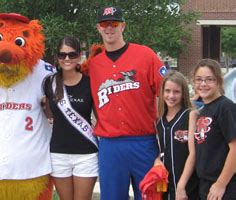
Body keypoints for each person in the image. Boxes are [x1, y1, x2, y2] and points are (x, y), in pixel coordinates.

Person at [87, 6, 167, 200]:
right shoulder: (93, 65)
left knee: (151, 195)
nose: (109, 28)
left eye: (114, 23)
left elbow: (168, 91)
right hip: (110, 145)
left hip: (144, 142)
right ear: (98, 28)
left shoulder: (146, 55)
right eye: (104, 24)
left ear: (123, 26)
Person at [43, 36, 98, 200]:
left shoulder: (90, 83)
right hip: (58, 154)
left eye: (72, 54)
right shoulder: (49, 83)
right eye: (62, 55)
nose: (67, 59)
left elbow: (100, 116)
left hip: (86, 154)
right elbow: (48, 111)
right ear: (57, 57)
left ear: (80, 56)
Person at [192, 58, 236, 200]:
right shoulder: (204, 110)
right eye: (199, 79)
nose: (203, 84)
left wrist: (221, 184)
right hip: (206, 185)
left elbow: (235, 149)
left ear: (218, 81)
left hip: (224, 187)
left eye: (209, 79)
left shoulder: (225, 107)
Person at [154, 70, 199, 200]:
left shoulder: (191, 115)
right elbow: (161, 151)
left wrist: (181, 186)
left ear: (183, 93)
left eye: (176, 92)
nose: (171, 96)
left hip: (187, 186)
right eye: (167, 91)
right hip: (164, 186)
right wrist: (157, 161)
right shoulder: (159, 121)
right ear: (162, 93)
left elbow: (193, 153)